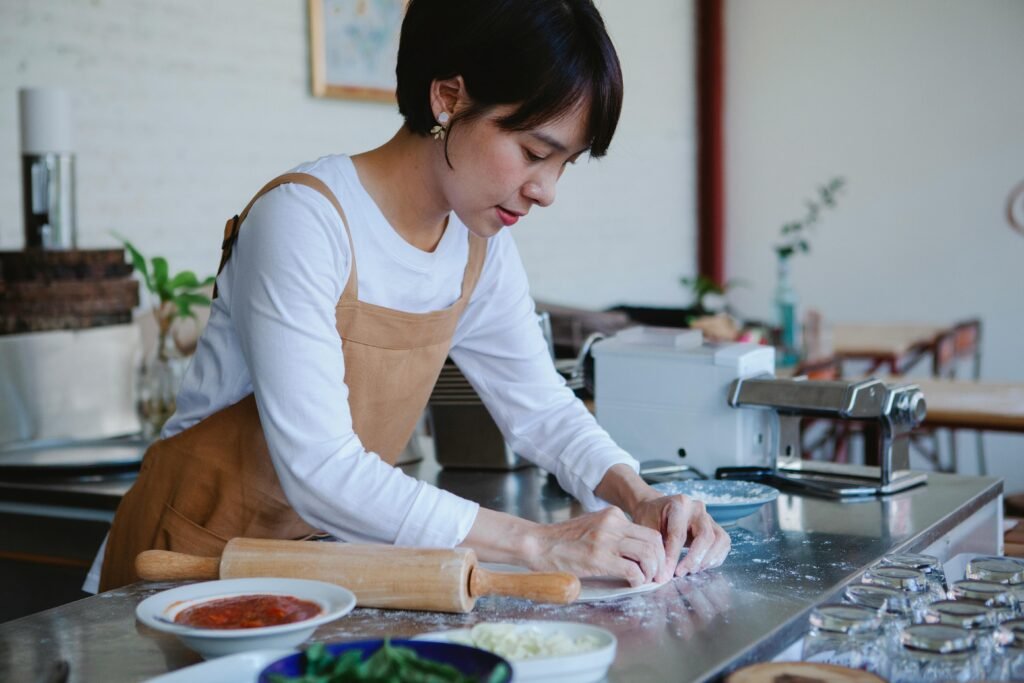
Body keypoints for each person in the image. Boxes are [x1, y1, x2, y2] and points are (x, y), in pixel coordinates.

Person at [88, 0, 731, 594]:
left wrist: (638, 495)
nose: (547, 191)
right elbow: (320, 471)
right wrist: (537, 543)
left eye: (565, 163)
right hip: (178, 572)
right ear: (448, 97)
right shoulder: (306, 220)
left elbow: (540, 408)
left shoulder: (479, 243)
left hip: (309, 576)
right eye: (535, 151)